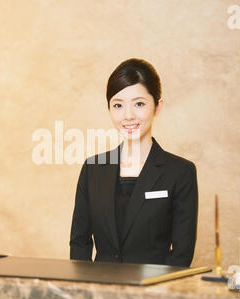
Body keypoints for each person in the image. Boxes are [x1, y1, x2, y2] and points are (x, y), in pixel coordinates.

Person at [69, 58, 198, 267]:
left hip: (155, 294)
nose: (128, 116)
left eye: (139, 104)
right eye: (118, 105)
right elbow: (79, 242)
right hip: (100, 291)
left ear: (157, 106)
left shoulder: (180, 172)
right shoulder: (92, 169)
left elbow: (182, 253)